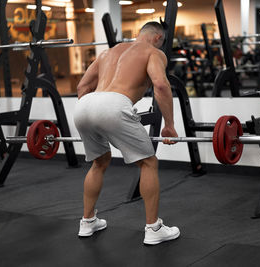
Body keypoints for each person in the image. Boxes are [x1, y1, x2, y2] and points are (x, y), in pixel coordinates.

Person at [73, 21, 180, 245]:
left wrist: (95, 112)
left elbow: (82, 87)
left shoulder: (108, 52)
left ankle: (87, 222)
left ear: (138, 34)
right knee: (148, 163)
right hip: (114, 105)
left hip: (85, 106)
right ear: (158, 38)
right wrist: (169, 124)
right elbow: (161, 85)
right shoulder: (154, 52)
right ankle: (154, 229)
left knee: (99, 162)